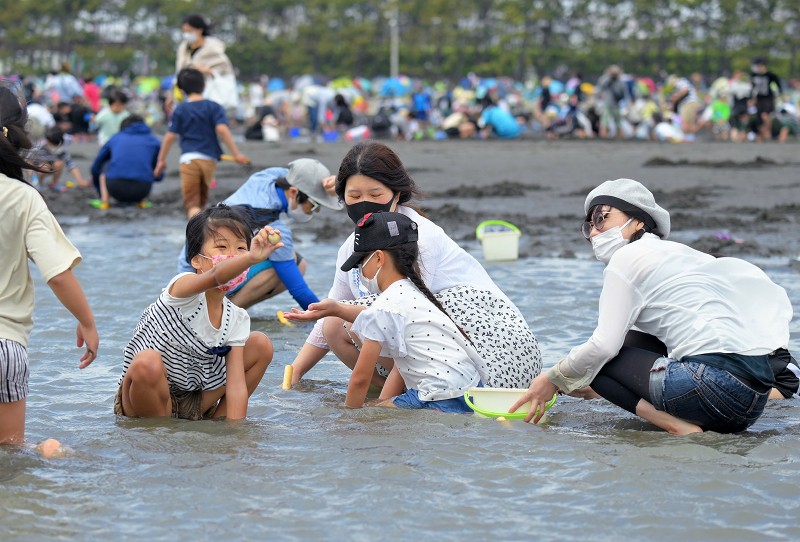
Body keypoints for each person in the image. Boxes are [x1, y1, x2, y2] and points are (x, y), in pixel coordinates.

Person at [511, 178, 794, 435]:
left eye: (602, 218)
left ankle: (678, 427)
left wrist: (553, 377)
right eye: (589, 226)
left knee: (599, 358)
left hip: (713, 392)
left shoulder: (627, 260)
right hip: (752, 404)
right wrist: (587, 385)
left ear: (638, 222)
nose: (595, 233)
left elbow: (602, 348)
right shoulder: (677, 254)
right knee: (627, 342)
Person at [287, 141, 542, 389]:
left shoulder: (420, 237)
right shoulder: (350, 248)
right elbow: (330, 310)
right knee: (339, 319)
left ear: (396, 195)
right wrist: (295, 374)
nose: (365, 202)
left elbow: (413, 317)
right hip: (440, 348)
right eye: (354, 196)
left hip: (497, 355)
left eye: (375, 194)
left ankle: (405, 397)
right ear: (342, 198)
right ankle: (398, 398)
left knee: (348, 320)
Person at [288, 212, 490, 412]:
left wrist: (349, 418)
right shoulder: (415, 295)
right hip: (469, 392)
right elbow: (401, 365)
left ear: (378, 258)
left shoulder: (386, 306)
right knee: (380, 407)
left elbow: (360, 379)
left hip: (438, 397)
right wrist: (383, 402)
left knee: (371, 416)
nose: (358, 272)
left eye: (360, 263)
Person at [0, 83, 99, 450]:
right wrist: (87, 323)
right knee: (11, 457)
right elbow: (57, 273)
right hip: (5, 344)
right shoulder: (24, 198)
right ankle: (48, 453)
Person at [114, 204, 277, 420]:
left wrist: (236, 441)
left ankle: (214, 427)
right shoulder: (182, 288)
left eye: (240, 248)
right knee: (148, 362)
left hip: (195, 400)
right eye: (221, 247)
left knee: (260, 344)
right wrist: (249, 258)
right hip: (143, 395)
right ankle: (161, 435)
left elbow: (237, 388)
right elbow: (216, 275)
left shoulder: (236, 318)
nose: (233, 256)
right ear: (196, 260)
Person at [177, 158, 342, 310]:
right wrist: (324, 318)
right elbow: (298, 290)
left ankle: (218, 309)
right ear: (292, 193)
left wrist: (339, 183)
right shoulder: (274, 230)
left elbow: (290, 173)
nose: (316, 212)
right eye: (315, 206)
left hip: (186, 278)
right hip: (207, 284)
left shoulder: (265, 178)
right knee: (296, 262)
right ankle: (227, 313)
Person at [154, 68, 250, 218]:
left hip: (189, 160)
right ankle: (203, 233)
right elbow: (222, 130)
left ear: (181, 89)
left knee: (192, 204)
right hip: (209, 161)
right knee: (202, 201)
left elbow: (170, 136)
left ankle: (196, 237)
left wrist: (161, 160)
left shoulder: (181, 109)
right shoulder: (214, 107)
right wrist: (236, 154)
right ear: (204, 85)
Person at [90, 115, 163, 209]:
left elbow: (96, 165)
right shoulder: (153, 140)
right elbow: (158, 172)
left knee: (105, 165)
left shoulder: (116, 138)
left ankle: (104, 200)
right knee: (146, 165)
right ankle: (142, 201)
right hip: (142, 190)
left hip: (114, 188)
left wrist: (97, 186)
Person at [172, 14, 239, 115]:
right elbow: (178, 74)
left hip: (210, 96)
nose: (186, 34)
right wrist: (173, 95)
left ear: (199, 30)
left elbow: (225, 74)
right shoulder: (183, 49)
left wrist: (208, 71)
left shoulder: (213, 49)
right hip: (187, 98)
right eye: (184, 31)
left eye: (189, 31)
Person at [39, 126, 89, 191]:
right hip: (39, 168)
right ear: (47, 141)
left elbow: (70, 164)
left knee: (59, 163)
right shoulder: (40, 146)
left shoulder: (62, 145)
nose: (55, 147)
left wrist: (80, 181)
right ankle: (39, 183)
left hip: (52, 165)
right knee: (44, 166)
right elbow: (30, 163)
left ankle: (54, 183)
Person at [750, 57, 782, 142]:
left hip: (768, 98)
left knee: (766, 115)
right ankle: (762, 134)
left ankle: (767, 132)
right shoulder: (754, 75)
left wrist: (780, 95)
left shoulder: (770, 75)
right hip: (759, 99)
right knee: (759, 117)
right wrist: (752, 99)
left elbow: (778, 86)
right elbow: (753, 88)